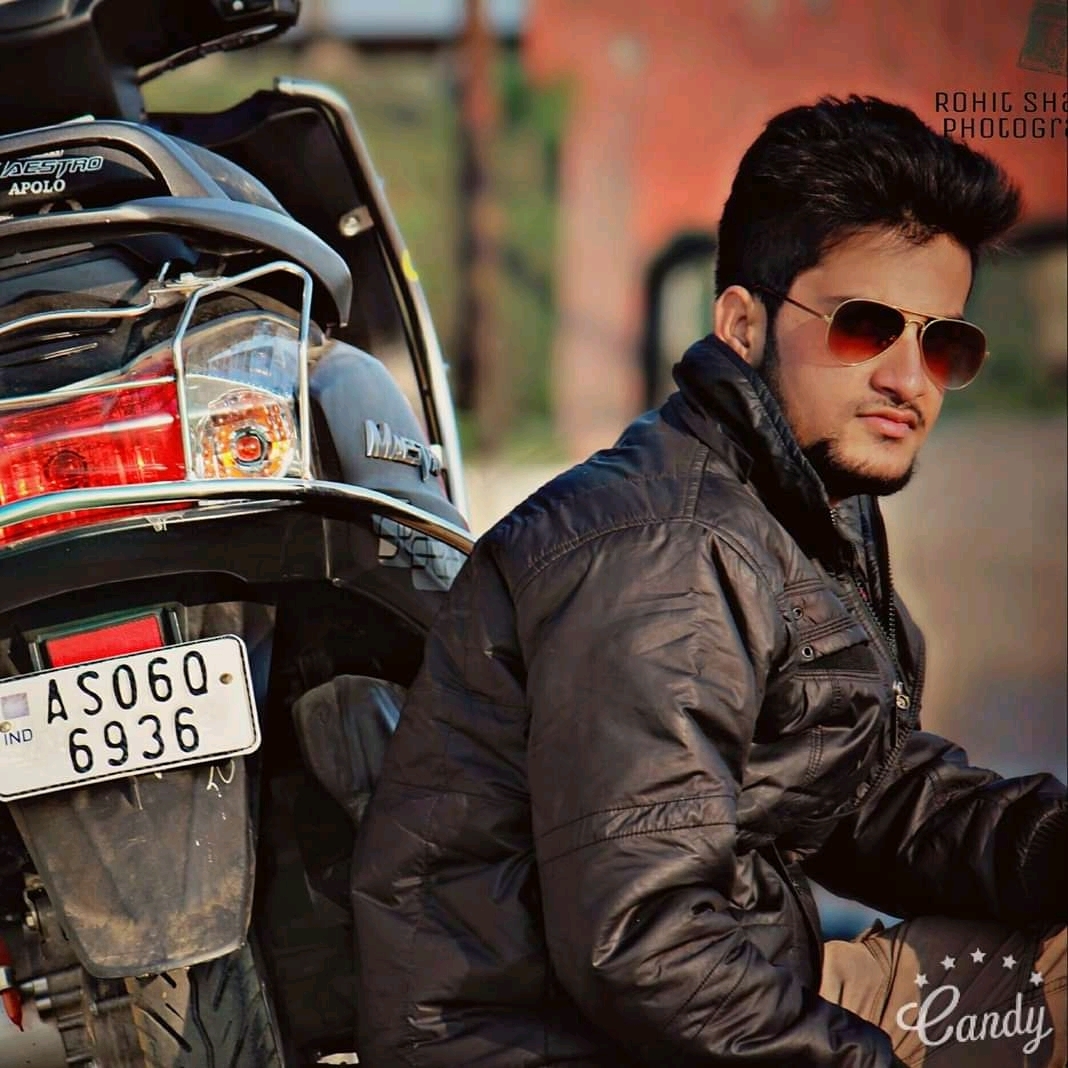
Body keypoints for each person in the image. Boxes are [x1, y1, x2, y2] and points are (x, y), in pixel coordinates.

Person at [351, 95, 1067, 1068]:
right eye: (866, 327)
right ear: (740, 322)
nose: (910, 379)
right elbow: (642, 946)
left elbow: (854, 790)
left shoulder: (792, 504)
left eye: (944, 344)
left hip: (717, 992)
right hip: (558, 1039)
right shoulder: (669, 554)